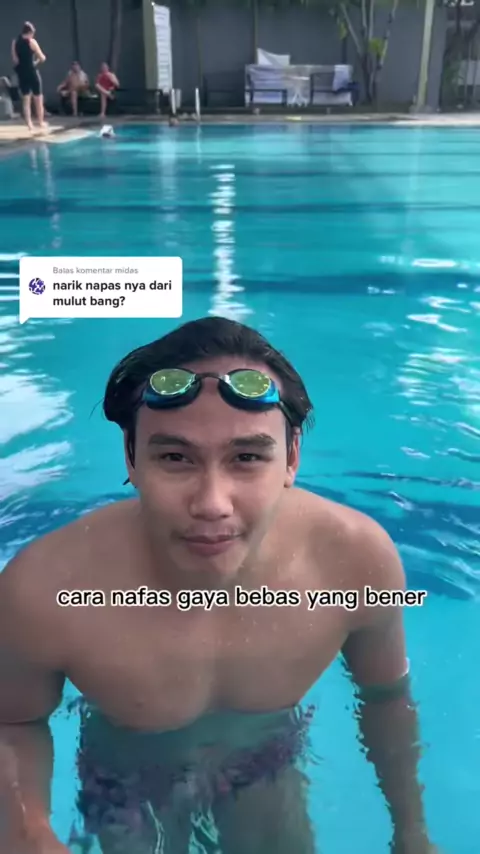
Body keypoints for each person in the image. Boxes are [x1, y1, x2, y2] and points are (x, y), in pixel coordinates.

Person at [0, 316, 440, 854]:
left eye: (247, 458)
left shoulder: (355, 562)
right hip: (126, 777)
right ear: (131, 458)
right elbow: (12, 721)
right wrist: (27, 828)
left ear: (291, 458)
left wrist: (412, 833)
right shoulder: (45, 587)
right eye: (175, 458)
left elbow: (387, 697)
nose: (211, 503)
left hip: (264, 764)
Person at [11, 21, 47, 133]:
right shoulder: (32, 42)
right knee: (38, 98)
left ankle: (29, 124)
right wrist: (36, 62)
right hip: (32, 72)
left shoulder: (15, 42)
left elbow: (15, 60)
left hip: (22, 73)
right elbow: (42, 57)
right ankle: (40, 121)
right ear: (30, 32)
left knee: (26, 99)